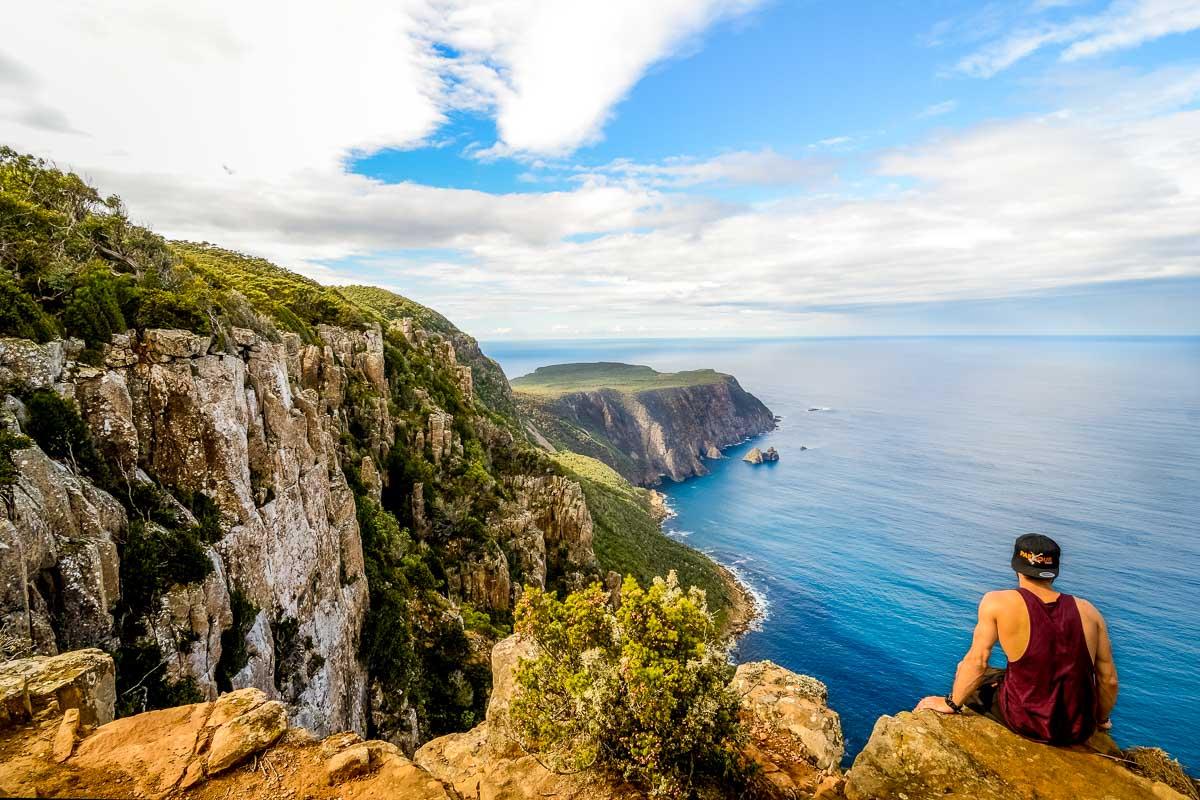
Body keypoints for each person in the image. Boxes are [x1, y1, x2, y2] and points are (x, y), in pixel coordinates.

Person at [914, 533, 1120, 745]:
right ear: (1054, 572)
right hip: (1078, 729)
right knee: (997, 675)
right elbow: (1109, 680)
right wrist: (1100, 720)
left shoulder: (997, 602)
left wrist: (951, 703)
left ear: (1016, 567)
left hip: (1025, 721)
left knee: (967, 672)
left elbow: (977, 662)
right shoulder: (1089, 611)